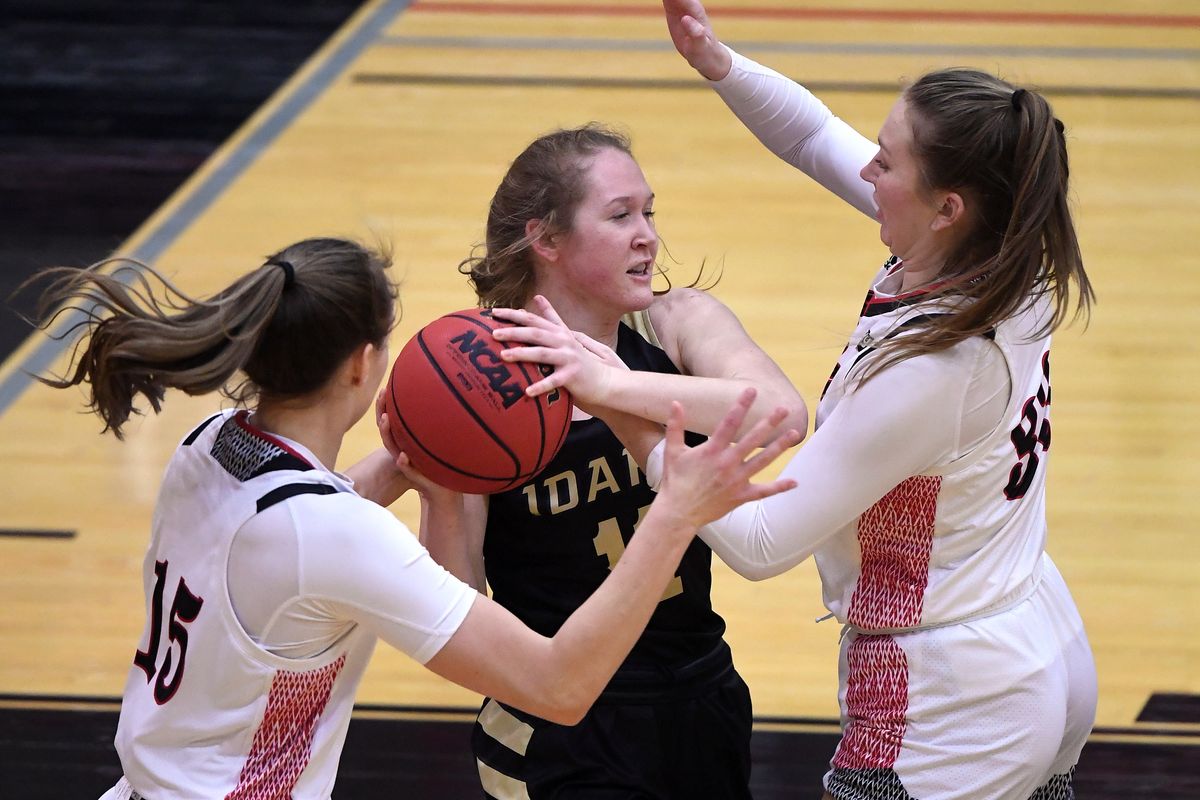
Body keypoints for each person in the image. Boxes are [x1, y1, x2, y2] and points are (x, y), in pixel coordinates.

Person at [24, 236, 800, 800]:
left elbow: (291, 543)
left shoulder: (210, 448)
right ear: (363, 363)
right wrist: (676, 511)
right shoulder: (334, 536)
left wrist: (404, 469)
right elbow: (557, 686)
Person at [648, 2, 1097, 798]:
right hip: (1032, 634)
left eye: (886, 164)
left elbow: (758, 542)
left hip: (950, 696)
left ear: (947, 206)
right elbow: (817, 138)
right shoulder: (1004, 254)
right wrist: (719, 61)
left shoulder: (932, 372)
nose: (866, 171)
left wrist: (628, 405)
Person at [432, 125, 808, 798]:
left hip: (700, 690)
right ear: (546, 240)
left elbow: (780, 411)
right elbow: (454, 608)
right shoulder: (477, 382)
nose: (647, 235)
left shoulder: (674, 324)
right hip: (557, 724)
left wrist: (607, 388)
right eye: (619, 215)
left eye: (648, 211)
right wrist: (436, 492)